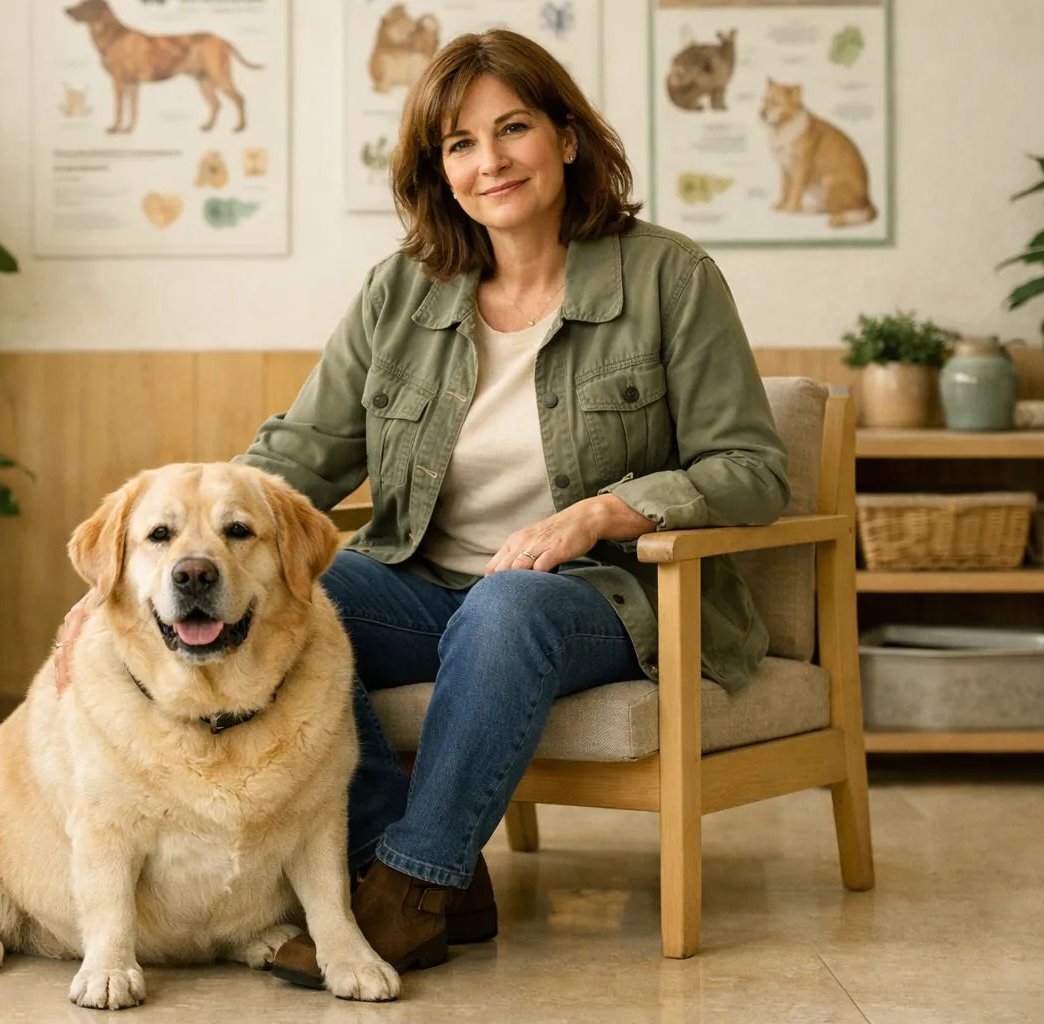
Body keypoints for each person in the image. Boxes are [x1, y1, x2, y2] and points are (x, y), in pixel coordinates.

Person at [235, 28, 789, 987]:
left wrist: (603, 513)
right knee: (295, 594)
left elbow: (751, 469)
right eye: (460, 143)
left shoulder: (671, 276)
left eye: (513, 128)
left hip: (603, 599)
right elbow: (301, 455)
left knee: (507, 604)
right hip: (426, 585)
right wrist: (174, 545)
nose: (489, 160)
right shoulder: (400, 292)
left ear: (566, 138)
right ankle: (408, 869)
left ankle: (410, 892)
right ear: (439, 170)